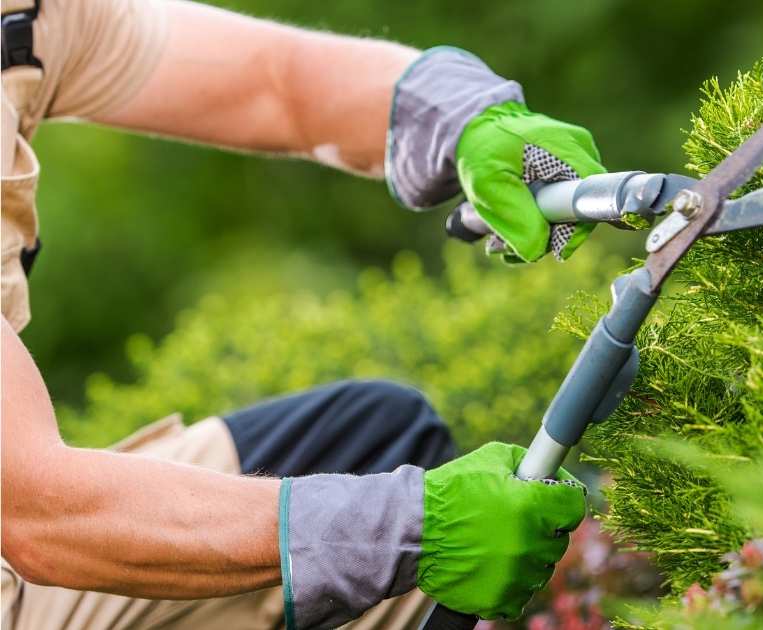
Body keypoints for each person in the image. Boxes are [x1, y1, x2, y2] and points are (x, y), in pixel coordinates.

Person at [0, 0, 604, 628]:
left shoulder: (25, 24)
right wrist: (403, 528)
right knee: (391, 526)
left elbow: (275, 82)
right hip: (32, 533)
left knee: (379, 441)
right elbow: (42, 516)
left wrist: (464, 116)